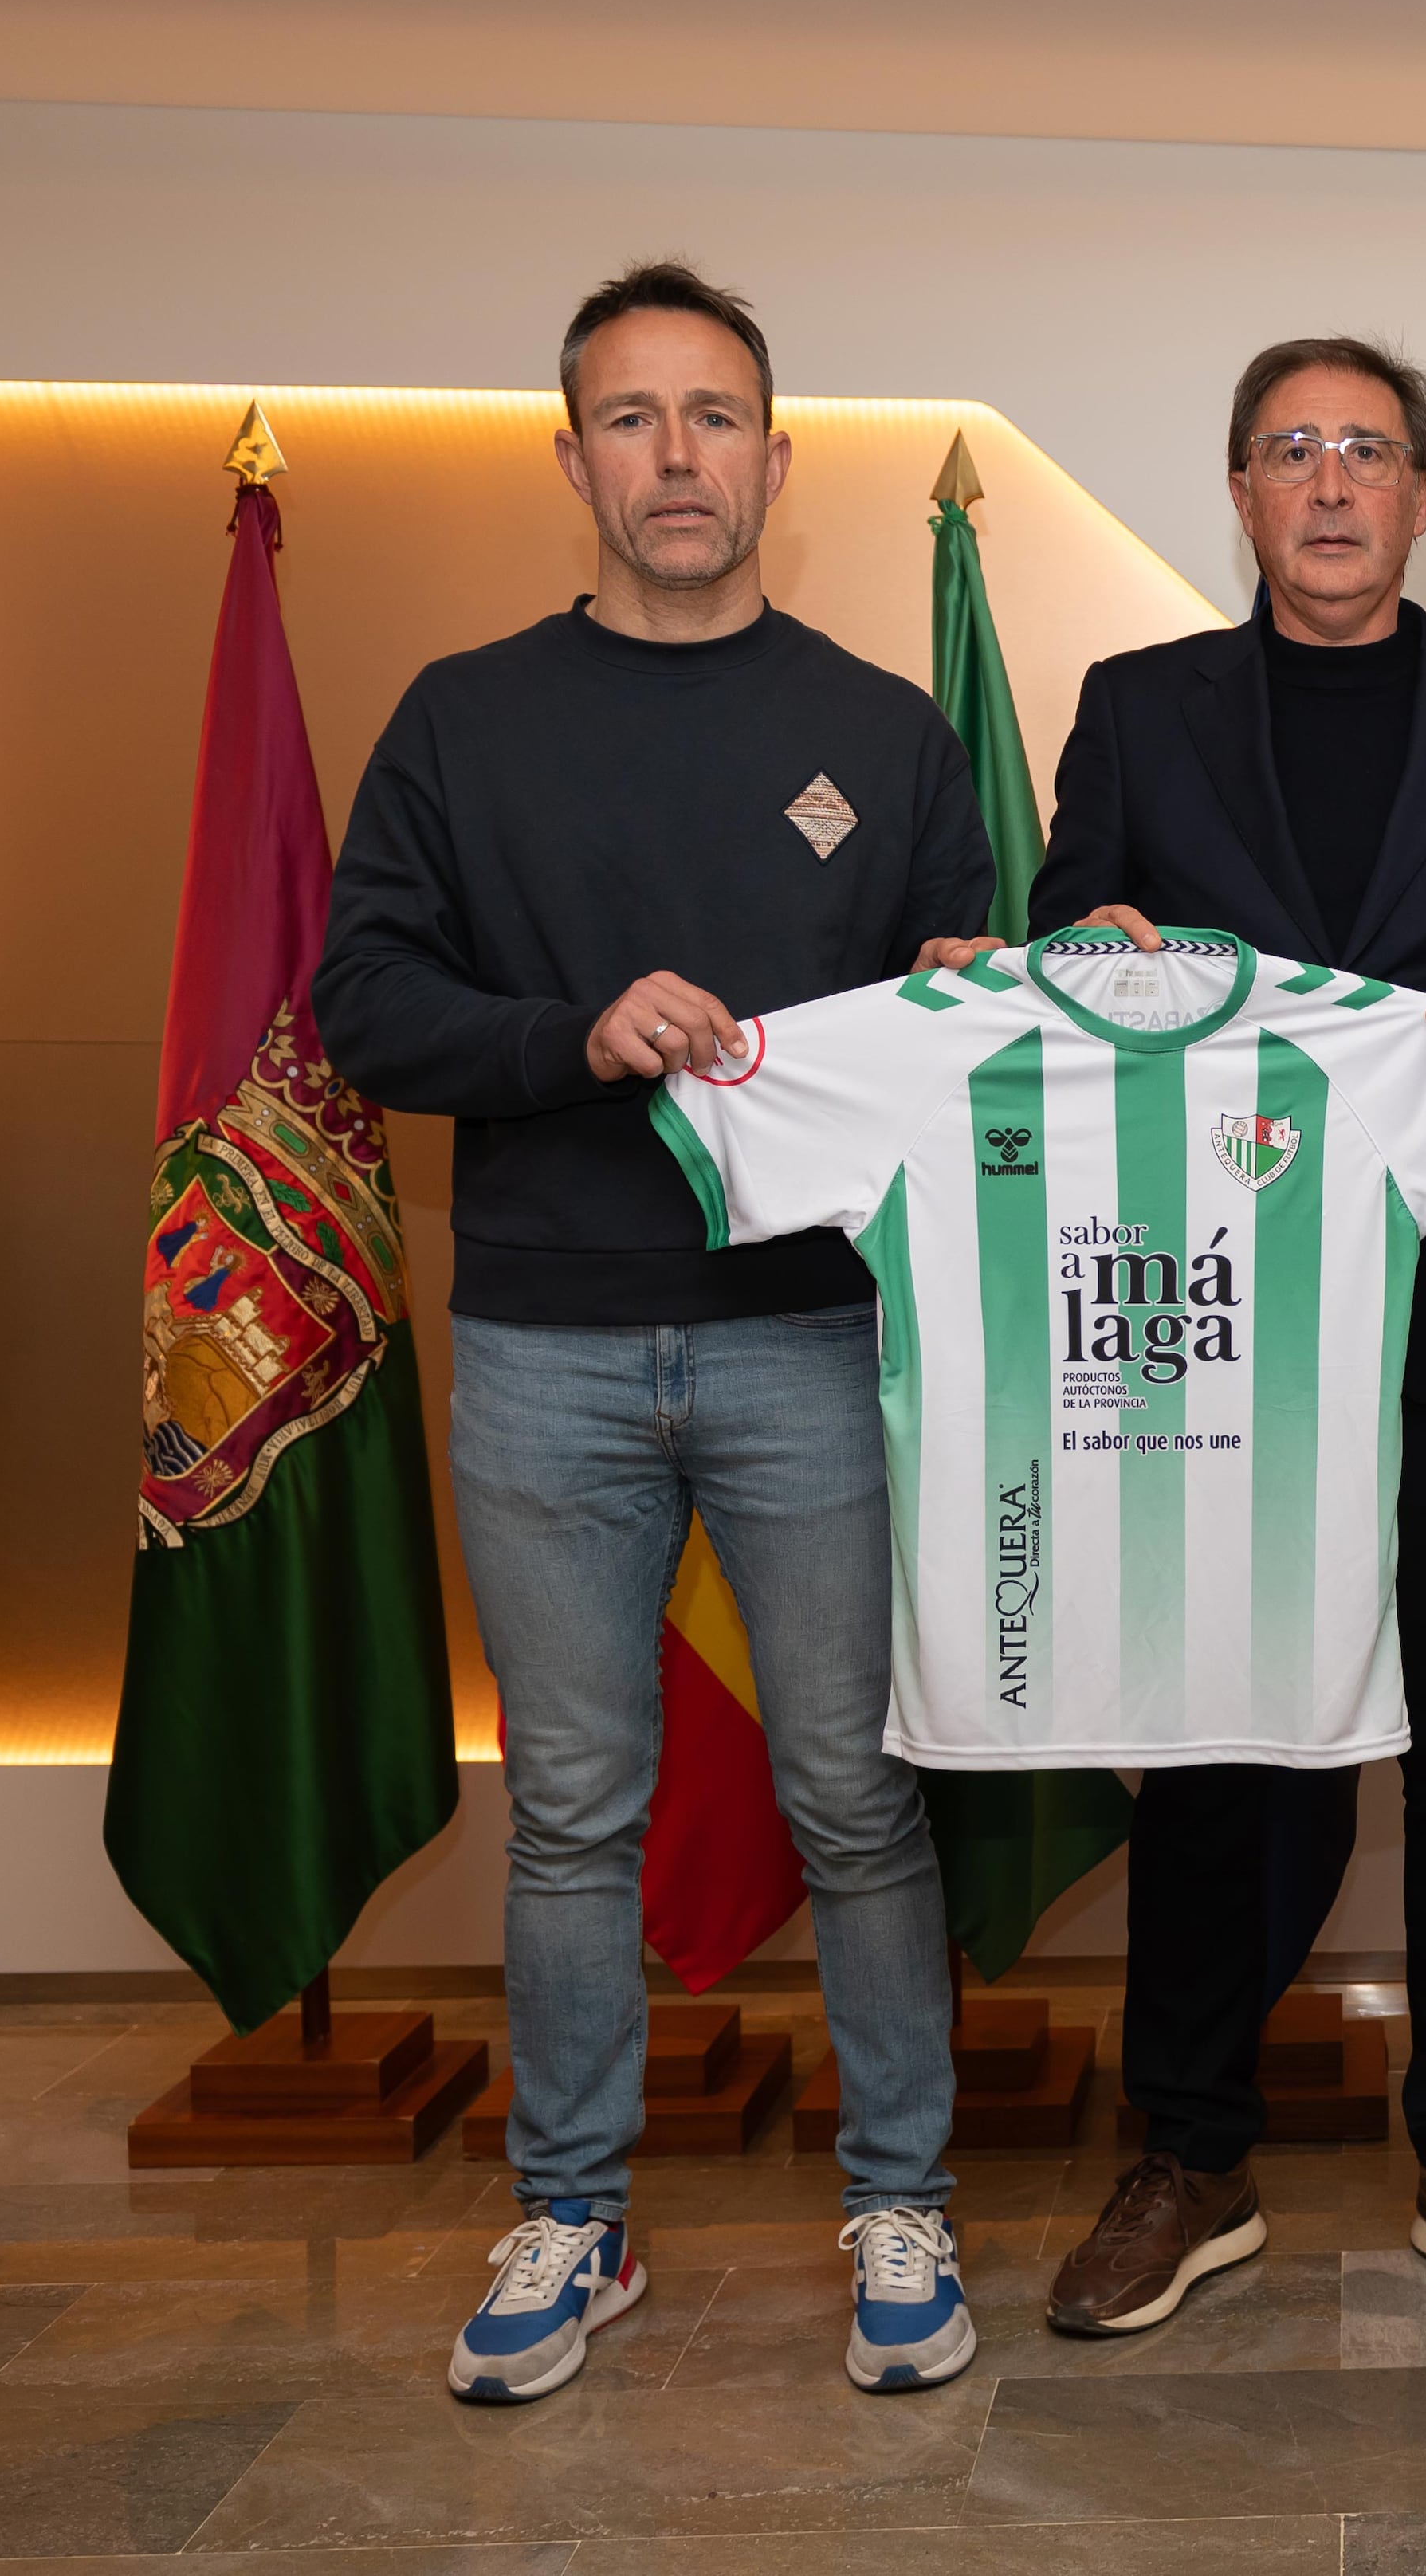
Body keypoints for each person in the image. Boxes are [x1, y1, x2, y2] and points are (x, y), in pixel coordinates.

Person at [316, 261, 1005, 2404]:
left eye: (716, 417)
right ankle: (574, 2214)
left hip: (818, 1340)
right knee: (571, 1809)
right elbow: (362, 1006)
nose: (677, 455)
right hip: (546, 1341)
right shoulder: (460, 714)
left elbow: (950, 1003)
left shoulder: (887, 727)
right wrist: (569, 1032)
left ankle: (902, 2197)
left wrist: (983, 983)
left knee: (859, 1792)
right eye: (632, 418)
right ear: (573, 459)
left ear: (778, 460)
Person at [1018, 336, 1426, 2338]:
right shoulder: (1134, 708)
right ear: (1243, 494)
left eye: (1369, 449)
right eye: (1293, 450)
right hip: (1206, 1320)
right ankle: (1186, 2151)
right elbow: (1061, 963)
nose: (1334, 481)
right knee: (1210, 1737)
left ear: (1423, 495)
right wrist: (1076, 962)